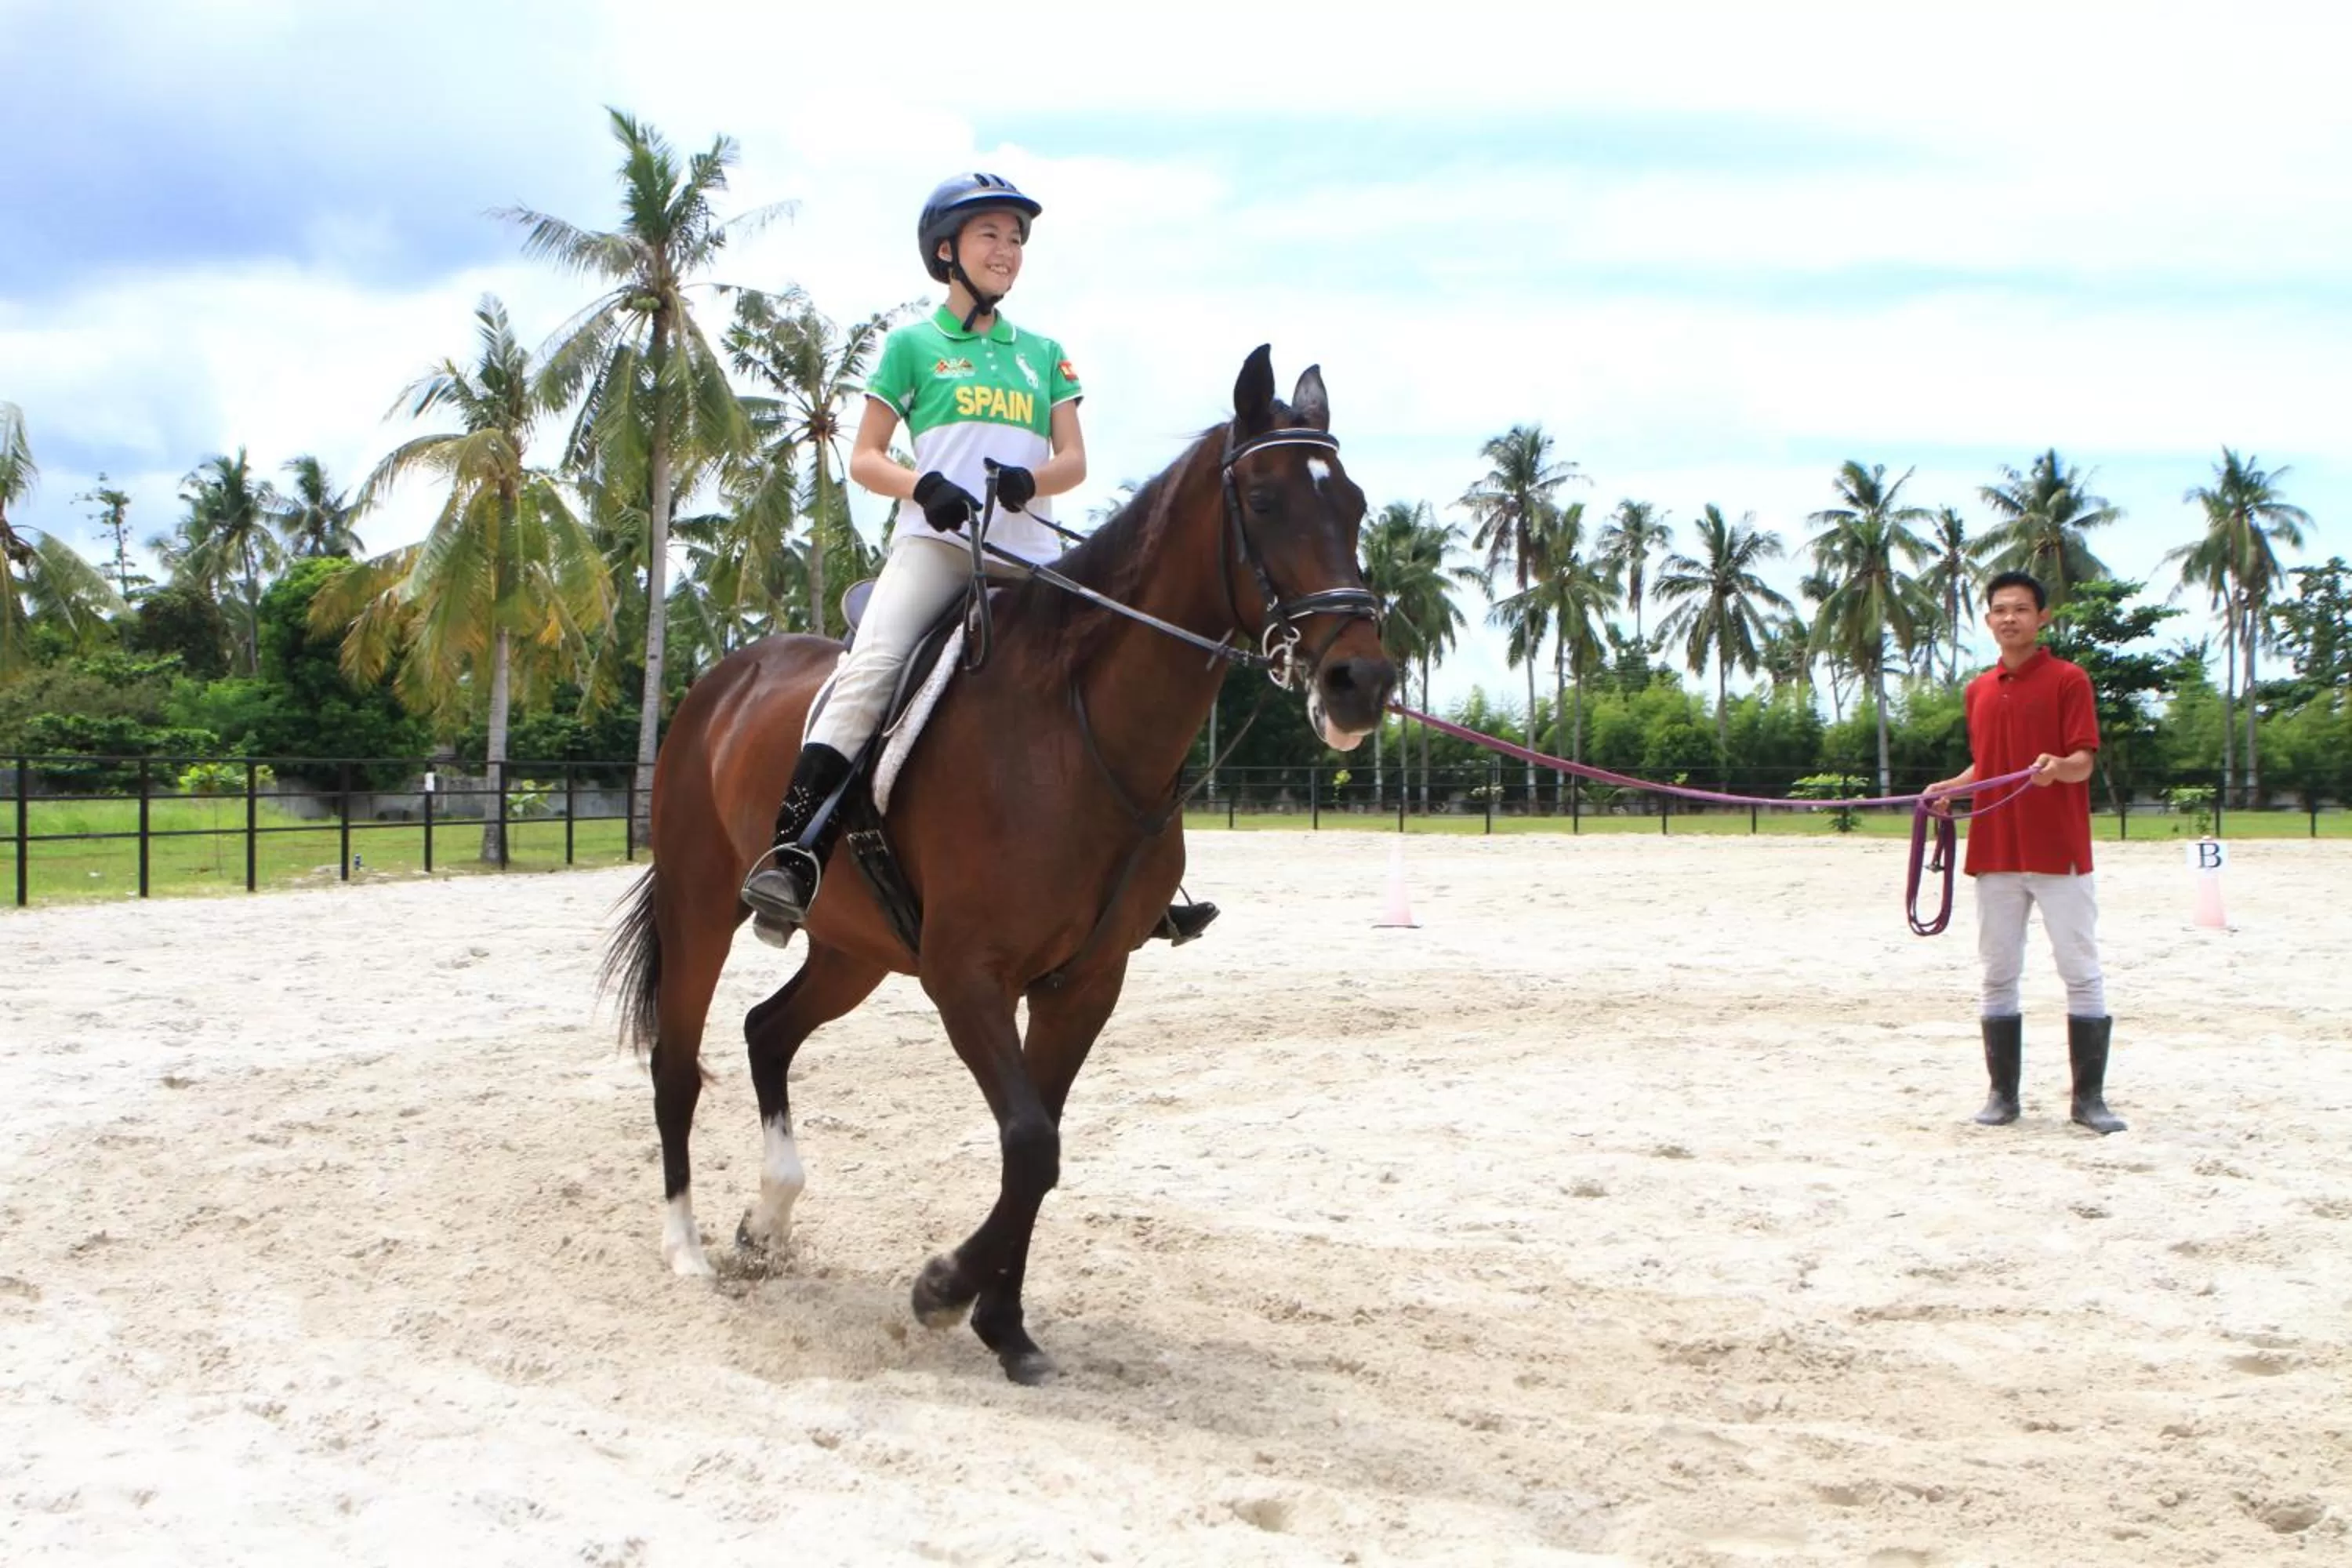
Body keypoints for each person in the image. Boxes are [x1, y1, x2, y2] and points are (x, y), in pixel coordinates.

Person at [739, 172, 1218, 945]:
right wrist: (922, 485)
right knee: (871, 669)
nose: (1007, 249)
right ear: (947, 250)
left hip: (1032, 561)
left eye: (1017, 238)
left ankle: (1141, 877)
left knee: (1114, 686)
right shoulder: (912, 346)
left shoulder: (1044, 354)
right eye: (991, 234)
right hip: (938, 550)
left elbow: (1074, 460)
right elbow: (865, 457)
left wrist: (1035, 479)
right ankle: (794, 854)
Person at [1925, 569, 2125, 1134]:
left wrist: (2056, 769)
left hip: (2058, 852)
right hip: (1995, 852)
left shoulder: (2069, 680)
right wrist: (1951, 789)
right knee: (1997, 973)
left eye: (2020, 609)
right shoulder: (1978, 690)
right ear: (1988, 620)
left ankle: (2089, 1100)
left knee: (2080, 971)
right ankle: (2002, 1096)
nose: (2009, 618)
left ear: (2042, 619)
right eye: (2000, 609)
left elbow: (2083, 759)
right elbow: (1987, 767)